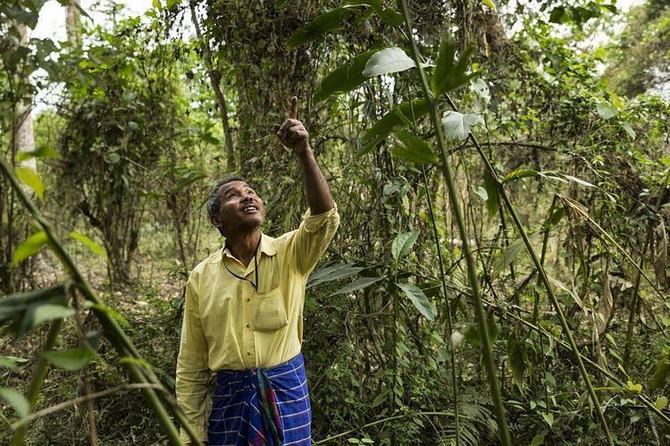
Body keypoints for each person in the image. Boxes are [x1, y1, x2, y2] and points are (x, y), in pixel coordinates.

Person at [176, 97, 339, 446]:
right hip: (230, 402)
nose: (248, 197)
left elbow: (324, 218)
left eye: (251, 192)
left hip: (286, 392)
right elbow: (192, 364)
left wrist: (303, 151)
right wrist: (189, 435)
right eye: (234, 196)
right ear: (217, 220)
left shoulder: (290, 253)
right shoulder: (202, 278)